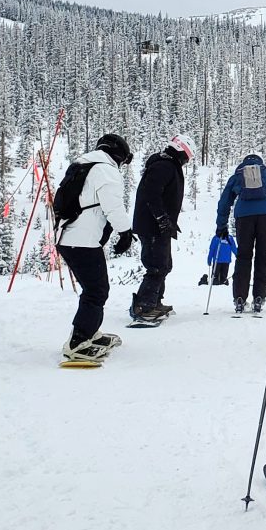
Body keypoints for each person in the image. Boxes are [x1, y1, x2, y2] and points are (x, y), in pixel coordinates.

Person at [54, 133, 135, 361]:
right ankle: (78, 342)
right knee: (96, 290)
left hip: (69, 237)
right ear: (118, 155)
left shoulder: (83, 164)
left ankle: (89, 332)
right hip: (82, 241)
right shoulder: (106, 170)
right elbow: (113, 206)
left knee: (94, 289)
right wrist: (125, 232)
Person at [130, 134, 194, 322]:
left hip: (158, 226)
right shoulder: (164, 166)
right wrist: (161, 218)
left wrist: (166, 221)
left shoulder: (166, 165)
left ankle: (154, 301)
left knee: (164, 265)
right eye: (187, 158)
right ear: (181, 152)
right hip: (152, 226)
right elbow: (152, 194)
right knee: (156, 266)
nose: (186, 162)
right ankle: (143, 306)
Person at [216, 153, 266, 315]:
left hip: (244, 217)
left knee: (244, 256)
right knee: (265, 256)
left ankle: (239, 298)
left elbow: (224, 202)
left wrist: (221, 225)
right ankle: (259, 297)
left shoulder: (237, 176)